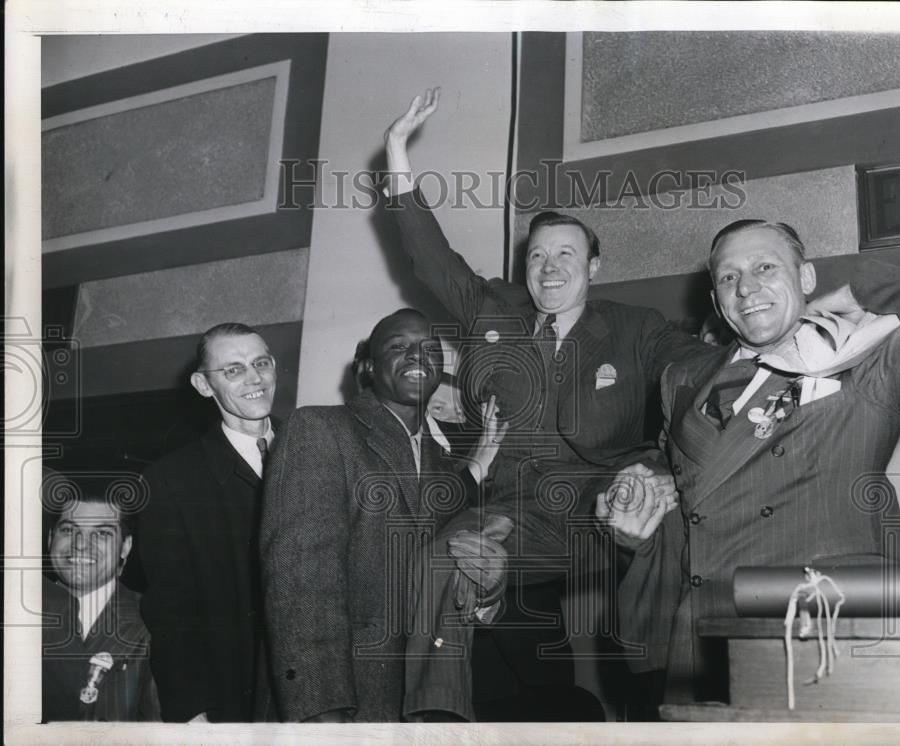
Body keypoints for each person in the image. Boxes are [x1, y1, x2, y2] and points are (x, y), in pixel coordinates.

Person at [384, 89, 703, 721]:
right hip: (510, 513)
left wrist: (666, 468)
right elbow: (429, 258)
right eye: (537, 256)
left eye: (565, 255)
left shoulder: (634, 327)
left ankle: (673, 698)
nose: (549, 268)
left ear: (593, 265)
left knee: (665, 519)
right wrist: (397, 152)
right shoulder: (493, 310)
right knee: (440, 559)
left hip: (597, 501)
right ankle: (436, 721)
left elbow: (694, 370)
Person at [599, 219, 900, 703]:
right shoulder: (680, 379)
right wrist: (637, 516)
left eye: (765, 267)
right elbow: (688, 478)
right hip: (704, 634)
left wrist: (859, 291)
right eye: (728, 278)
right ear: (716, 301)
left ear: (806, 278)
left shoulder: (865, 362)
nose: (746, 287)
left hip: (822, 624)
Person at [259, 309, 506, 722]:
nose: (417, 355)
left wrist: (490, 590)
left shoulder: (444, 466)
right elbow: (302, 585)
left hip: (423, 710)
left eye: (430, 348)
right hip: (349, 704)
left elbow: (446, 584)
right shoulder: (319, 429)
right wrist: (324, 713)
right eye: (398, 346)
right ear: (369, 367)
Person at [136, 322, 277, 722]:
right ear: (203, 385)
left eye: (261, 363)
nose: (254, 378)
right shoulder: (170, 480)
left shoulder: (317, 452)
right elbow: (170, 608)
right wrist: (192, 710)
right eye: (233, 369)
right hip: (232, 696)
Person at [42, 488, 160, 722]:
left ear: (125, 547)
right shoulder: (16, 612)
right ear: (49, 539)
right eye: (68, 530)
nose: (81, 545)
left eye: (102, 533)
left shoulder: (153, 623)